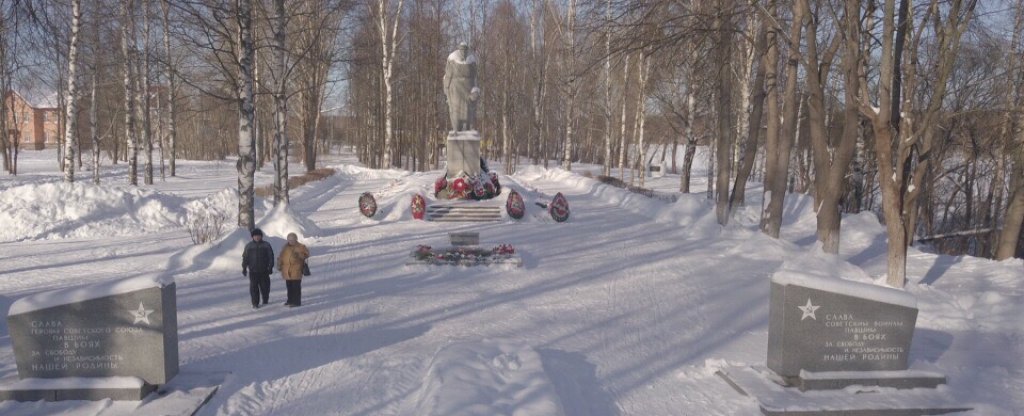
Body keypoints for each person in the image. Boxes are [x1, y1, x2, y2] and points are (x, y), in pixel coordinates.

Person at [443, 42, 479, 131]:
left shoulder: (472, 60)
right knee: (455, 109)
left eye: (465, 49)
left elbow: (475, 76)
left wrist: (475, 89)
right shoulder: (452, 59)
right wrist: (446, 88)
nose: (463, 52)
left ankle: (469, 129)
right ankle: (456, 129)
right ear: (459, 49)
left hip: (468, 88)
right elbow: (448, 75)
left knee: (469, 110)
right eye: (462, 49)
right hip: (455, 88)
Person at [242, 228, 274, 309]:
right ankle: (255, 303)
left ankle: (265, 298)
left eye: (258, 236)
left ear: (261, 236)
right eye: (255, 236)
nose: (257, 237)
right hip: (253, 270)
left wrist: (270, 267)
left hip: (264, 270)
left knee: (265, 286)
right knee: (253, 287)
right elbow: (245, 258)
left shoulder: (266, 245)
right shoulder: (249, 246)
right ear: (252, 237)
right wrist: (244, 268)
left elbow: (271, 257)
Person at [277, 232, 310, 307]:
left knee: (296, 287)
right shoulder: (285, 247)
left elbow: (307, 254)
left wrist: (300, 254)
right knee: (289, 287)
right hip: (287, 271)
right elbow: (281, 256)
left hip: (296, 270)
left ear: (296, 239)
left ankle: (296, 302)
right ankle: (290, 300)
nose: (291, 241)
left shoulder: (300, 246)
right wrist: (279, 264)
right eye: (290, 240)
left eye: (293, 239)